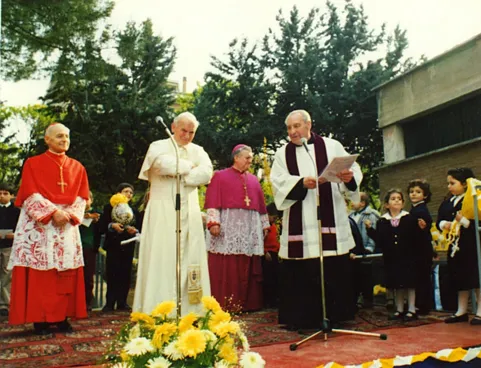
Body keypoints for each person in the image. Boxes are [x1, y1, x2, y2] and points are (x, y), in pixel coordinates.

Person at [270, 109, 362, 330]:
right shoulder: (283, 154)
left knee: (332, 265)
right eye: (289, 128)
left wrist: (349, 178)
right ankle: (303, 318)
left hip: (329, 214)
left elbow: (353, 170)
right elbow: (278, 182)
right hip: (299, 218)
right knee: (302, 270)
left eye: (296, 126)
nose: (292, 132)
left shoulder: (331, 146)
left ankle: (336, 315)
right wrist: (301, 183)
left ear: (308, 124)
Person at [8, 123, 89, 335]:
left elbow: (82, 197)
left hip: (66, 226)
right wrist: (53, 213)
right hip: (41, 226)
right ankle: (40, 319)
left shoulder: (78, 167)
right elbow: (29, 193)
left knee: (65, 273)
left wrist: (69, 214)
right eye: (60, 136)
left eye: (67, 136)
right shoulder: (33, 164)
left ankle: (62, 317)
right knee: (40, 276)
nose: (65, 140)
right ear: (48, 140)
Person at [134, 112, 213, 315]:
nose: (186, 136)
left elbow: (207, 172)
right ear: (173, 127)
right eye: (183, 130)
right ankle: (158, 309)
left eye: (191, 132)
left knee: (191, 256)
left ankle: (191, 310)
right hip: (163, 210)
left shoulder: (199, 150)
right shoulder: (158, 146)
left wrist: (184, 177)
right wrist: (189, 167)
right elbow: (161, 165)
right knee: (162, 256)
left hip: (191, 211)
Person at [204, 144, 269, 312]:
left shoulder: (254, 179)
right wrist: (213, 223)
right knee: (226, 265)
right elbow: (212, 200)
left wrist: (264, 225)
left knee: (247, 264)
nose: (250, 161)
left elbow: (261, 206)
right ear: (236, 158)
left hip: (249, 228)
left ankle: (248, 304)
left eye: (251, 158)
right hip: (227, 227)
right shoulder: (219, 176)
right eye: (247, 157)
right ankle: (224, 303)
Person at [366, 189, 425, 321]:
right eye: (393, 199)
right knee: (397, 284)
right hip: (392, 258)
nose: (396, 200)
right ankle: (399, 309)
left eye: (399, 198)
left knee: (409, 283)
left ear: (403, 204)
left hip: (408, 257)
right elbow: (380, 240)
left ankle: (411, 308)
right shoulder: (383, 221)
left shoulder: (409, 218)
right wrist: (370, 230)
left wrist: (421, 229)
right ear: (387, 204)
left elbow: (416, 238)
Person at [437, 168, 481, 325]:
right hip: (455, 245)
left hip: (471, 245)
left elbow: (477, 222)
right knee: (459, 278)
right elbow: (440, 219)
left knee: (475, 278)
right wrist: (444, 224)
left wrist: (463, 221)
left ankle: (480, 311)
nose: (449, 186)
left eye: (452, 183)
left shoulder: (474, 200)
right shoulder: (447, 202)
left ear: (464, 183)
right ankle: (461, 311)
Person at [101, 183, 140, 312]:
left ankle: (122, 302)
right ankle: (110, 303)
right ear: (119, 193)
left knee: (125, 274)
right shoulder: (109, 207)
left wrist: (133, 230)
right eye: (125, 191)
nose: (128, 194)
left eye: (131, 192)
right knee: (112, 273)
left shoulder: (133, 210)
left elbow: (138, 226)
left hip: (128, 245)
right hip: (114, 245)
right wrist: (112, 225)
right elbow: (102, 224)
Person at [349, 192, 380, 309]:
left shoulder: (371, 215)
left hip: (366, 250)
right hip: (354, 250)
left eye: (354, 200)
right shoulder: (351, 215)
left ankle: (368, 300)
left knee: (367, 276)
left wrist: (369, 248)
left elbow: (374, 233)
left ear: (362, 203)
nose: (351, 203)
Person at [407, 179, 434, 315]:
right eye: (411, 192)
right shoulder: (414, 209)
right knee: (419, 277)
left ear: (425, 195)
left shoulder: (421, 210)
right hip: (416, 249)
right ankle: (420, 303)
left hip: (422, 249)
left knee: (422, 277)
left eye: (418, 192)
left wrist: (424, 227)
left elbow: (426, 225)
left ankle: (423, 305)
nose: (414, 194)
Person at [0, 183, 21, 316]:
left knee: (7, 276)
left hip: (9, 246)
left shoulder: (17, 212)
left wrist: (14, 235)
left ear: (12, 196)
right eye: (0, 193)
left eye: (5, 193)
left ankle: (4, 304)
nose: (1, 196)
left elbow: (21, 229)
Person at [79, 191, 101, 312]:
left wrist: (95, 219)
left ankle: (88, 301)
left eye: (87, 199)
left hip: (89, 247)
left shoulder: (97, 213)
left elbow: (101, 228)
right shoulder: (74, 212)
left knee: (88, 276)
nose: (85, 202)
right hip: (76, 246)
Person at [263, 203, 281, 308]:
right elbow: (259, 242)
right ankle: (269, 300)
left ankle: (275, 299)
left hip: (275, 253)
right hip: (267, 254)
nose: (274, 220)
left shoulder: (274, 226)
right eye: (273, 217)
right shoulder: (264, 227)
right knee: (268, 278)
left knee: (276, 277)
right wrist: (265, 251)